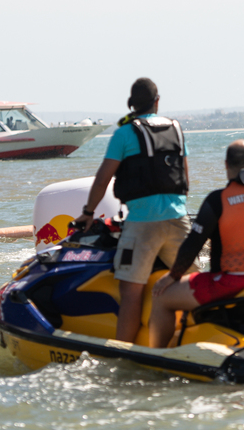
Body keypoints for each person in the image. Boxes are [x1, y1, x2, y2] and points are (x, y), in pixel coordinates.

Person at [74, 78, 191, 343]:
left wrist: (88, 212)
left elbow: (103, 178)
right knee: (190, 284)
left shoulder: (124, 133)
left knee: (130, 292)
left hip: (141, 224)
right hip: (179, 219)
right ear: (157, 102)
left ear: (131, 104)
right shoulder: (176, 129)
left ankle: (124, 353)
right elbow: (185, 176)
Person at [148, 139, 244, 348]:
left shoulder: (217, 200)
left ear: (226, 165)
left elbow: (191, 246)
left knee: (161, 297)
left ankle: (155, 356)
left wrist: (171, 276)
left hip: (232, 283)